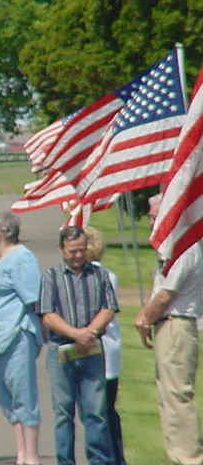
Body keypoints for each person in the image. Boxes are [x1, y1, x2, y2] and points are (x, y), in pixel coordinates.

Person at [37, 226, 117, 465]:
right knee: (63, 413)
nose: (79, 256)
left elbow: (109, 307)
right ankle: (66, 461)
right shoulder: (50, 276)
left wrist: (90, 332)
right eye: (73, 251)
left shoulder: (99, 275)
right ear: (62, 249)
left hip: (92, 349)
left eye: (82, 250)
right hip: (61, 350)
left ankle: (99, 460)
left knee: (96, 412)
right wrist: (75, 334)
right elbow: (47, 314)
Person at [134, 194, 203, 464]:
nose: (151, 221)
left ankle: (188, 456)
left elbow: (165, 295)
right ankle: (178, 451)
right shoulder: (176, 246)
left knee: (176, 394)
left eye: (154, 215)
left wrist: (143, 319)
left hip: (176, 324)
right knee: (168, 393)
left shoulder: (181, 247)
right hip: (172, 325)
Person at [0, 212, 43, 465]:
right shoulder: (3, 260)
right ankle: (21, 454)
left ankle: (32, 456)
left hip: (16, 337)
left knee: (24, 397)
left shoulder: (22, 259)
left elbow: (34, 299)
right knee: (9, 400)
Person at [84, 226, 126, 465]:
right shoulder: (110, 274)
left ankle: (106, 457)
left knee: (99, 412)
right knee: (107, 410)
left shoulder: (101, 276)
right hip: (108, 349)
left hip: (100, 348)